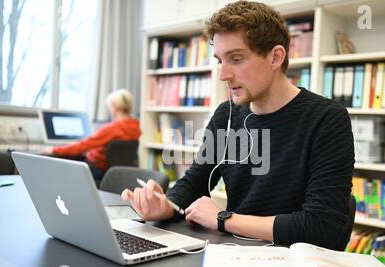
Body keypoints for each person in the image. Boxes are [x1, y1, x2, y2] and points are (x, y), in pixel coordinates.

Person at [122, 1, 354, 249]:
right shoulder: (226, 116)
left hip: (294, 265)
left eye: (236, 59)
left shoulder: (327, 119)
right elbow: (194, 183)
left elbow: (321, 227)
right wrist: (166, 206)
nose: (223, 74)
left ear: (275, 57)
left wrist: (223, 219)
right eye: (220, 60)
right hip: (235, 256)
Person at [42, 89, 141, 180]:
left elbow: (83, 145)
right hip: (113, 172)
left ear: (114, 106)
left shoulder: (113, 128)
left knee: (59, 166)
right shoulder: (136, 126)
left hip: (97, 169)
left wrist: (54, 149)